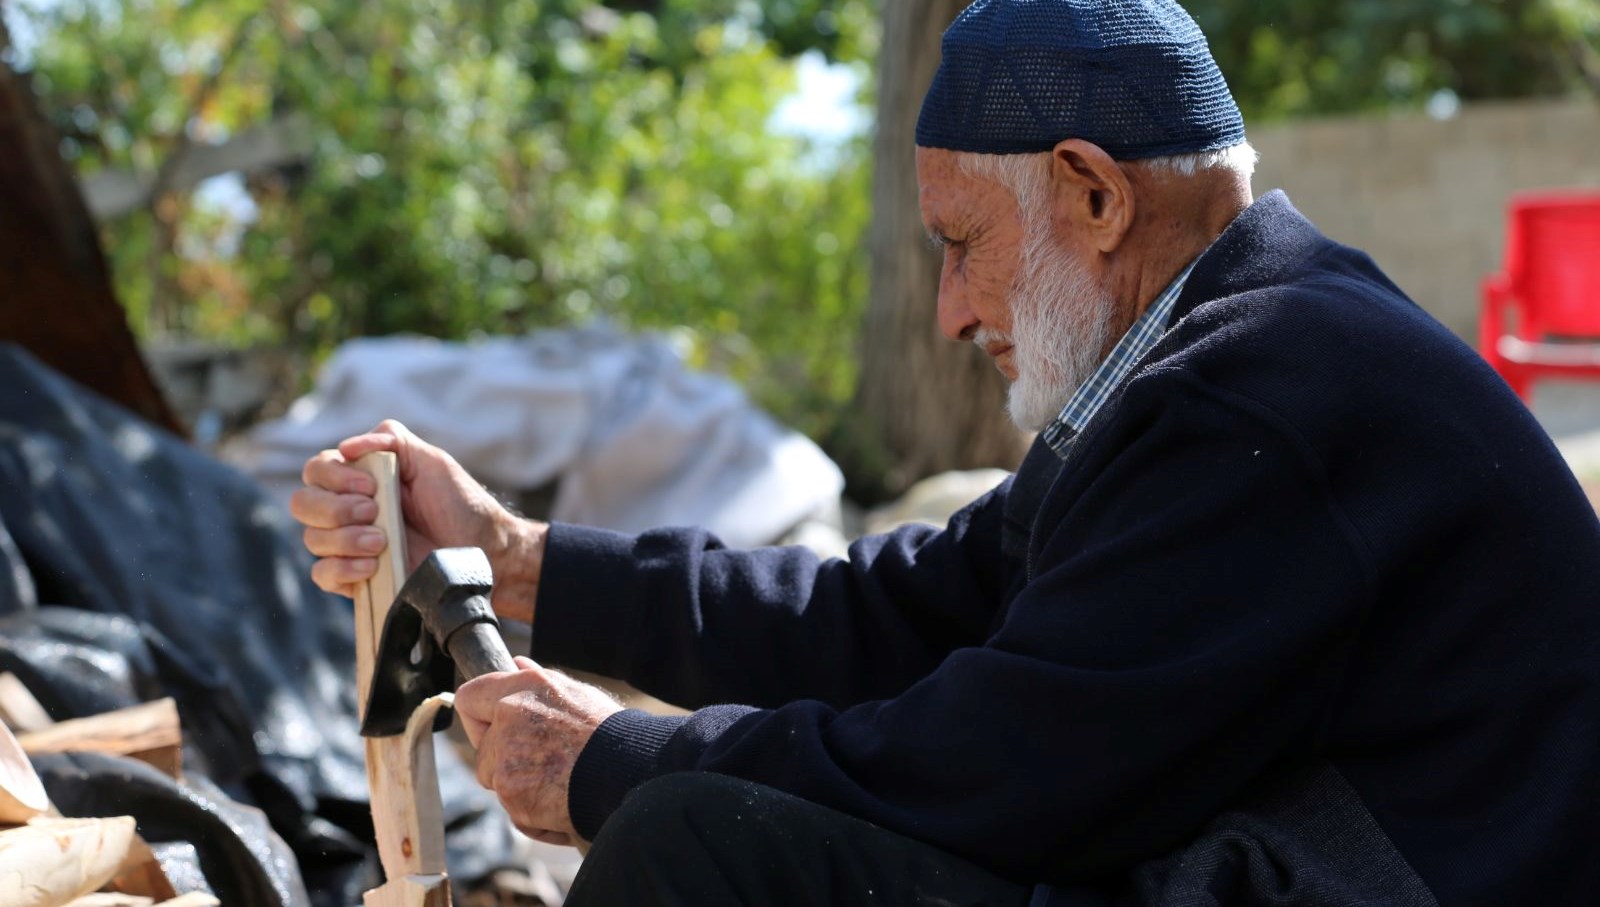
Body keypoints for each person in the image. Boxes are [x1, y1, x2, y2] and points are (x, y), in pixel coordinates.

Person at [293, 1, 1600, 904]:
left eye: (962, 245)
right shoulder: (1216, 350)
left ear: (1093, 195)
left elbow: (999, 770)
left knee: (706, 851)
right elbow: (905, 608)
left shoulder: (1264, 399)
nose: (949, 311)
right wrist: (521, 562)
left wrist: (619, 763)